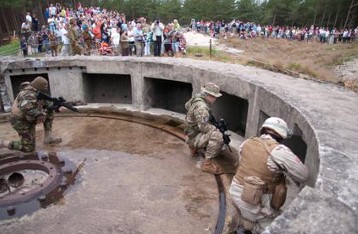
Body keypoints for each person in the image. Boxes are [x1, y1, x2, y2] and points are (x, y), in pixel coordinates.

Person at [228, 117, 309, 233]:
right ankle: (250, 227)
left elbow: (242, 164)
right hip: (254, 201)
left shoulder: (247, 142)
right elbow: (304, 175)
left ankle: (244, 221)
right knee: (279, 226)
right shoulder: (279, 150)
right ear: (281, 135)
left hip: (235, 194)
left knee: (250, 213)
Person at [0, 77, 62, 152]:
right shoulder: (27, 95)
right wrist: (40, 113)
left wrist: (53, 104)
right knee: (28, 148)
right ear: (39, 86)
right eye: (45, 86)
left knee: (49, 111)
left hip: (28, 119)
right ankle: (3, 143)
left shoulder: (34, 90)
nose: (46, 88)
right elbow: (26, 108)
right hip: (20, 122)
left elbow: (42, 101)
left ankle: (48, 137)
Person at [184, 82, 225, 174]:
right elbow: (204, 128)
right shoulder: (202, 108)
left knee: (209, 128)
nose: (215, 99)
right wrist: (215, 129)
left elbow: (186, 105)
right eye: (215, 97)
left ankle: (193, 149)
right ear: (210, 96)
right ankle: (207, 164)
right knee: (218, 136)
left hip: (188, 133)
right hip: (192, 137)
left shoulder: (197, 98)